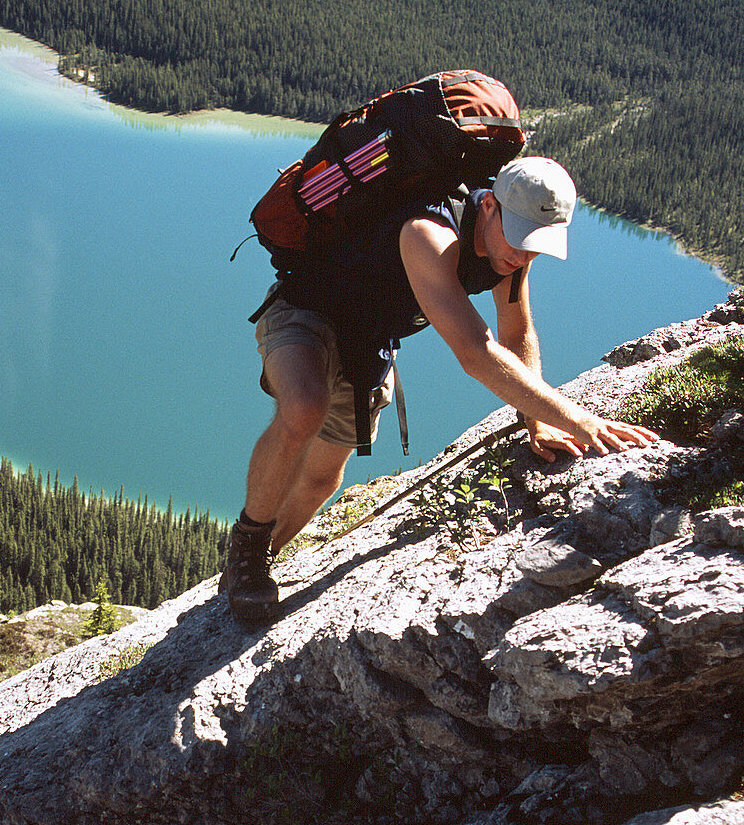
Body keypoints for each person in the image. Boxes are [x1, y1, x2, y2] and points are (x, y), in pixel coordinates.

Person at [220, 153, 660, 623]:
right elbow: (476, 352)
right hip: (305, 311)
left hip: (366, 342)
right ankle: (247, 548)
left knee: (323, 478)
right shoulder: (427, 231)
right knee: (305, 408)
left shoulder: (511, 251)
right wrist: (576, 418)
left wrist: (537, 423)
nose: (523, 254)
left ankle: (259, 560)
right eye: (518, 237)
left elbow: (517, 334)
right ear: (488, 205)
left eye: (536, 244)